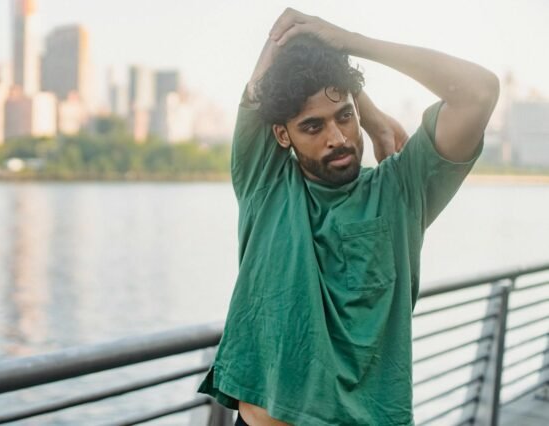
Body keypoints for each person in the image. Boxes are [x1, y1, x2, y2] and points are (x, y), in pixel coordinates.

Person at [198, 8, 499, 426]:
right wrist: (362, 105)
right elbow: (279, 50)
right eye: (313, 127)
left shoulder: (401, 191)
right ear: (282, 136)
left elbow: (480, 92)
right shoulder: (264, 182)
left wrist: (354, 45)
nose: (337, 138)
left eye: (344, 118)